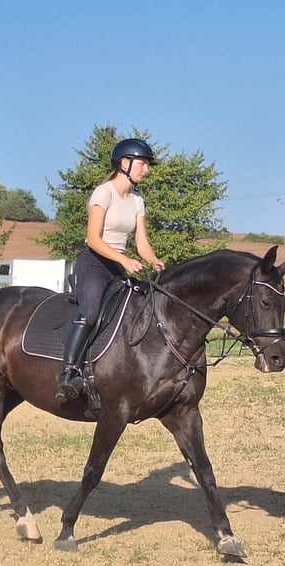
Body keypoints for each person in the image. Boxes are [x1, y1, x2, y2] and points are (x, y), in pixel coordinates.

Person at [56, 138, 165, 403]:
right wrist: (124, 260)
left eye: (147, 165)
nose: (146, 170)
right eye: (143, 164)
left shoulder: (137, 201)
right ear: (124, 163)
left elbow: (141, 243)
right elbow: (93, 238)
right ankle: (68, 373)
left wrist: (156, 261)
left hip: (118, 266)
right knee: (91, 312)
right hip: (94, 263)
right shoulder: (103, 193)